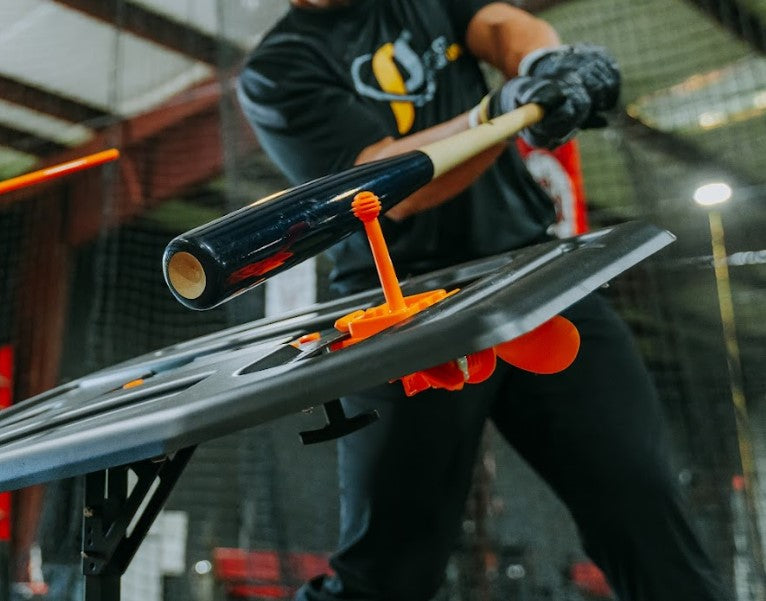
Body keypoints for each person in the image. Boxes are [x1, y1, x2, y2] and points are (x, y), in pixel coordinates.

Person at [237, 1, 727, 600]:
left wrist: (548, 64)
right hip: (398, 308)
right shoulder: (277, 68)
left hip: (532, 274)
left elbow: (499, 26)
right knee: (390, 567)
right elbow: (379, 185)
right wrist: (504, 111)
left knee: (645, 509)